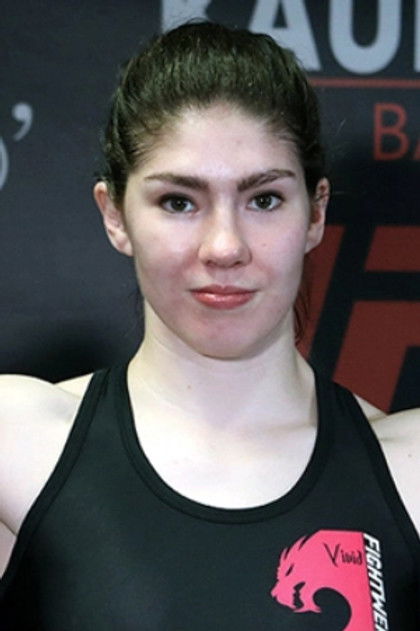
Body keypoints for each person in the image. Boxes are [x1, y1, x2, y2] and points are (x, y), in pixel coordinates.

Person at [0, 21, 418, 630]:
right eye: (179, 202)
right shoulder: (17, 444)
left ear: (315, 212)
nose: (225, 247)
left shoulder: (408, 469)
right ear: (114, 215)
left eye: (264, 199)